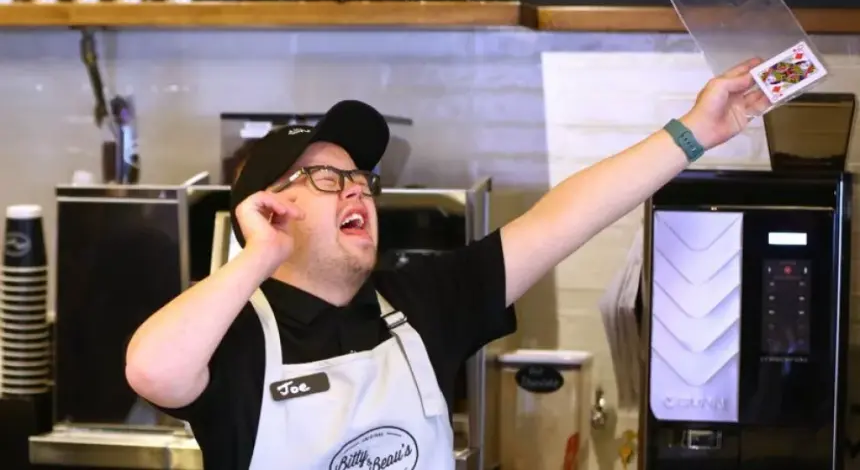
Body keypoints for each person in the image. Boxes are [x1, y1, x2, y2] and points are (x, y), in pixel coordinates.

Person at [125, 59, 768, 470]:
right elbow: (152, 369)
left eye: (359, 176)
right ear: (266, 210)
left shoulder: (421, 303)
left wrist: (695, 132)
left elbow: (562, 219)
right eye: (324, 175)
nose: (355, 188)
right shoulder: (236, 335)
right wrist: (256, 257)